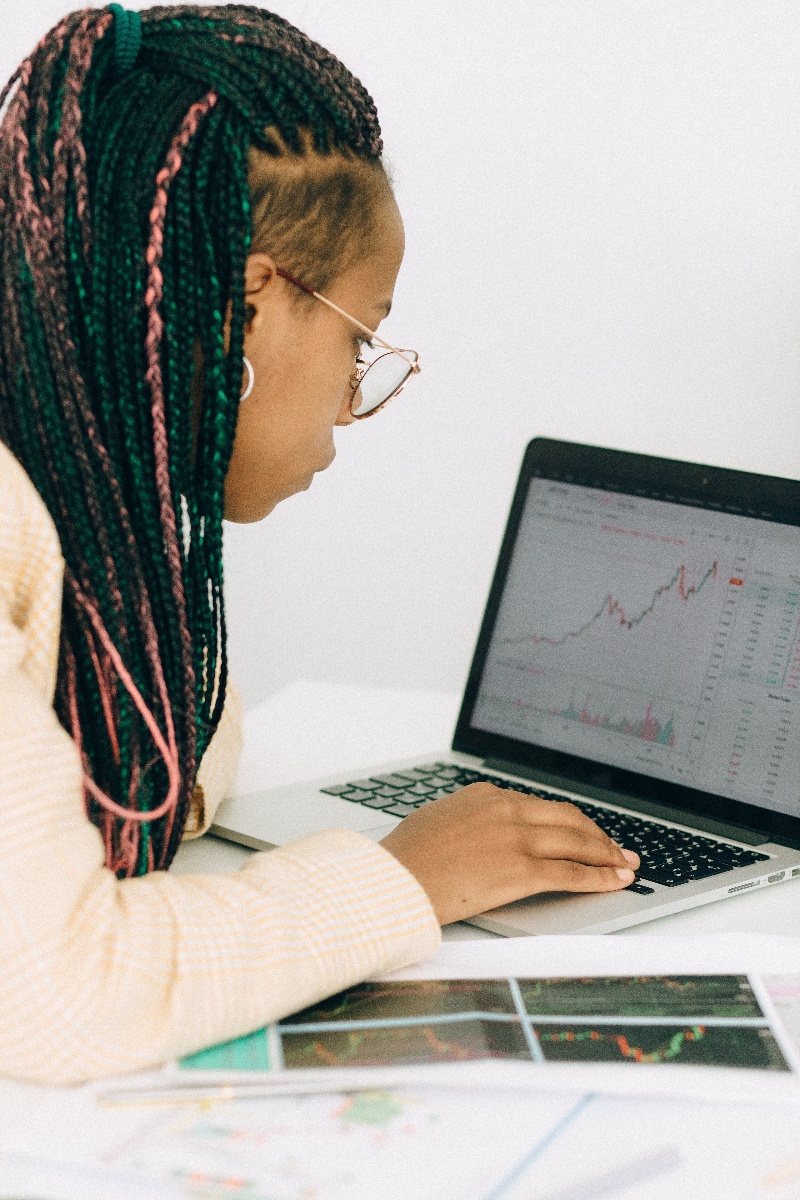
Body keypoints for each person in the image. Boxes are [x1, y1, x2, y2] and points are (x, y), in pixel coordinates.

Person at [0, 4, 639, 1084]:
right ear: (246, 307)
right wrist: (406, 880)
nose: (351, 400)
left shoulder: (70, 493)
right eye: (361, 341)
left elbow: (185, 752)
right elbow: (60, 1000)